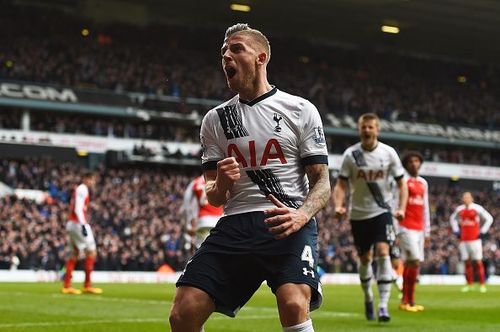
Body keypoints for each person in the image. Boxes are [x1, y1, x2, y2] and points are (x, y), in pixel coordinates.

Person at [169, 23, 331, 332]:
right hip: (236, 224)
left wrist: (302, 215)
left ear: (261, 57)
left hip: (285, 222)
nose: (226, 56)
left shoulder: (299, 110)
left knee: (293, 303)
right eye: (223, 52)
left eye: (236, 49)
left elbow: (322, 182)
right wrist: (224, 183)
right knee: (183, 313)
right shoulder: (216, 120)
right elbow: (213, 196)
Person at [333, 113, 408, 322]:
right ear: (359, 129)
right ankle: (368, 296)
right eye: (364, 127)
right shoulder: (351, 155)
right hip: (358, 214)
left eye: (371, 127)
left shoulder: (389, 153)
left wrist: (401, 207)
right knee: (365, 258)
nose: (367, 130)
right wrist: (338, 205)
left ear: (377, 130)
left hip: (382, 211)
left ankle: (383, 306)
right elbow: (340, 184)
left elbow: (402, 184)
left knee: (383, 252)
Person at [397, 151, 430, 312]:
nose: (414, 164)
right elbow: (396, 204)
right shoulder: (402, 181)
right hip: (405, 227)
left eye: (417, 161)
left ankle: (409, 301)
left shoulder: (423, 183)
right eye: (411, 161)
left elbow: (426, 209)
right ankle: (406, 300)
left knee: (412, 264)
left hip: (419, 229)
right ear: (406, 165)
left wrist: (427, 231)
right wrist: (396, 230)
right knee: (414, 261)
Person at [61, 171, 103, 295]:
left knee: (74, 253)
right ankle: (87, 285)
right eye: (91, 179)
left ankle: (67, 286)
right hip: (78, 224)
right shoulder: (82, 189)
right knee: (92, 252)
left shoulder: (79, 189)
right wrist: (83, 225)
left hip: (71, 224)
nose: (93, 182)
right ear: (86, 179)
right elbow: (78, 208)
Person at [449, 192, 493, 293]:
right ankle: (469, 284)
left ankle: (482, 284)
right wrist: (456, 230)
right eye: (464, 197)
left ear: (471, 198)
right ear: (462, 199)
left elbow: (489, 218)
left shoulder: (477, 208)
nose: (466, 199)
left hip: (475, 240)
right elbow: (452, 219)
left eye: (468, 197)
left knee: (478, 262)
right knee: (466, 262)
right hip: (464, 240)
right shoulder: (459, 209)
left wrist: (483, 231)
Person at [181, 175, 223, 250]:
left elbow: (186, 206)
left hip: (203, 222)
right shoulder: (222, 179)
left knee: (202, 251)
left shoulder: (195, 183)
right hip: (220, 222)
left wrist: (188, 226)